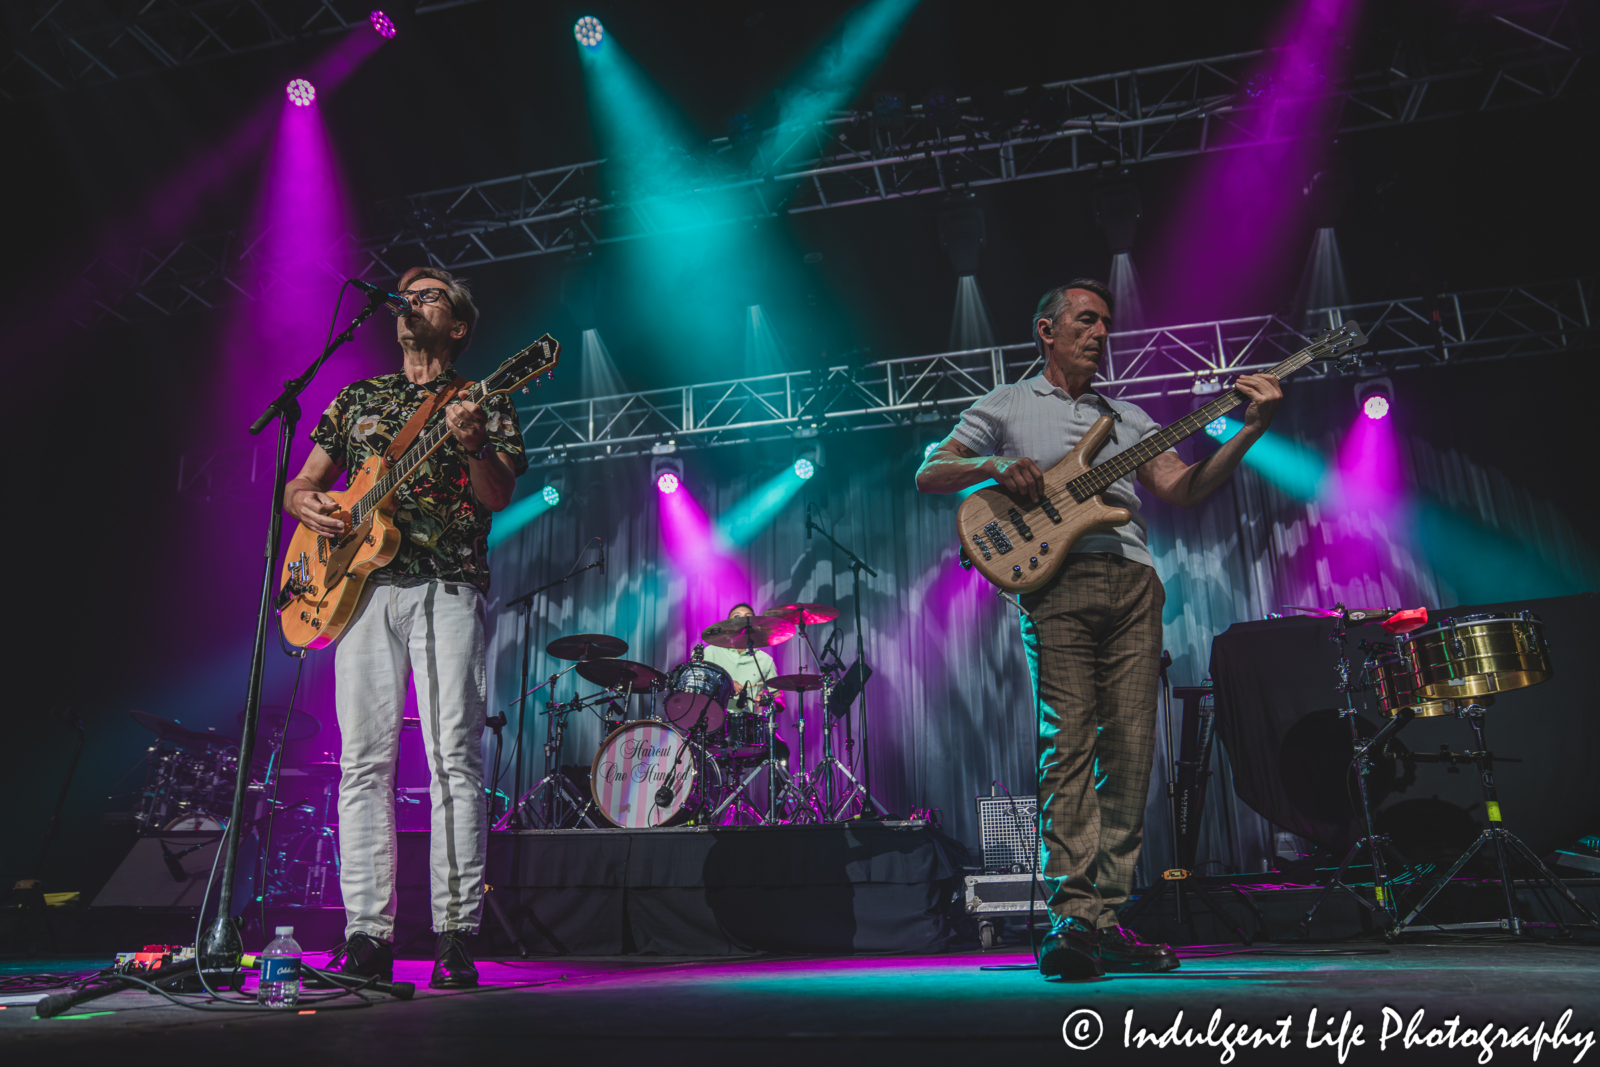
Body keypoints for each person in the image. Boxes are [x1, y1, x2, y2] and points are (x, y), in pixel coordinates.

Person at [915, 280, 1281, 978]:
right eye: (1085, 320)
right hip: (1056, 582)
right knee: (1070, 745)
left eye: (1106, 322)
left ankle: (1106, 919)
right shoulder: (1007, 403)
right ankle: (1071, 918)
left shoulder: (1131, 416)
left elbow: (1184, 486)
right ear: (1046, 330)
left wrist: (1249, 429)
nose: (1100, 331)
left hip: (1134, 581)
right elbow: (932, 470)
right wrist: (994, 464)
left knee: (1133, 753)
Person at [283, 267, 526, 989]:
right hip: (357, 593)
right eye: (407, 293)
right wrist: (308, 505)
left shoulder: (483, 397)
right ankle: (367, 933)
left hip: (446, 587)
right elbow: (304, 481)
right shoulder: (356, 397)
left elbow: (500, 493)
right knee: (363, 763)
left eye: (430, 294)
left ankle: (454, 933)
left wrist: (476, 443)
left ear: (457, 325)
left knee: (454, 755)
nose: (411, 299)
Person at [700, 603, 779, 698]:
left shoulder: (765, 660)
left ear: (754, 624)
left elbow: (778, 698)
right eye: (737, 616)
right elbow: (697, 681)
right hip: (712, 711)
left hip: (748, 712)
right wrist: (727, 683)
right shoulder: (710, 651)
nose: (742, 619)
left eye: (748, 617)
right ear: (728, 624)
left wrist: (765, 699)